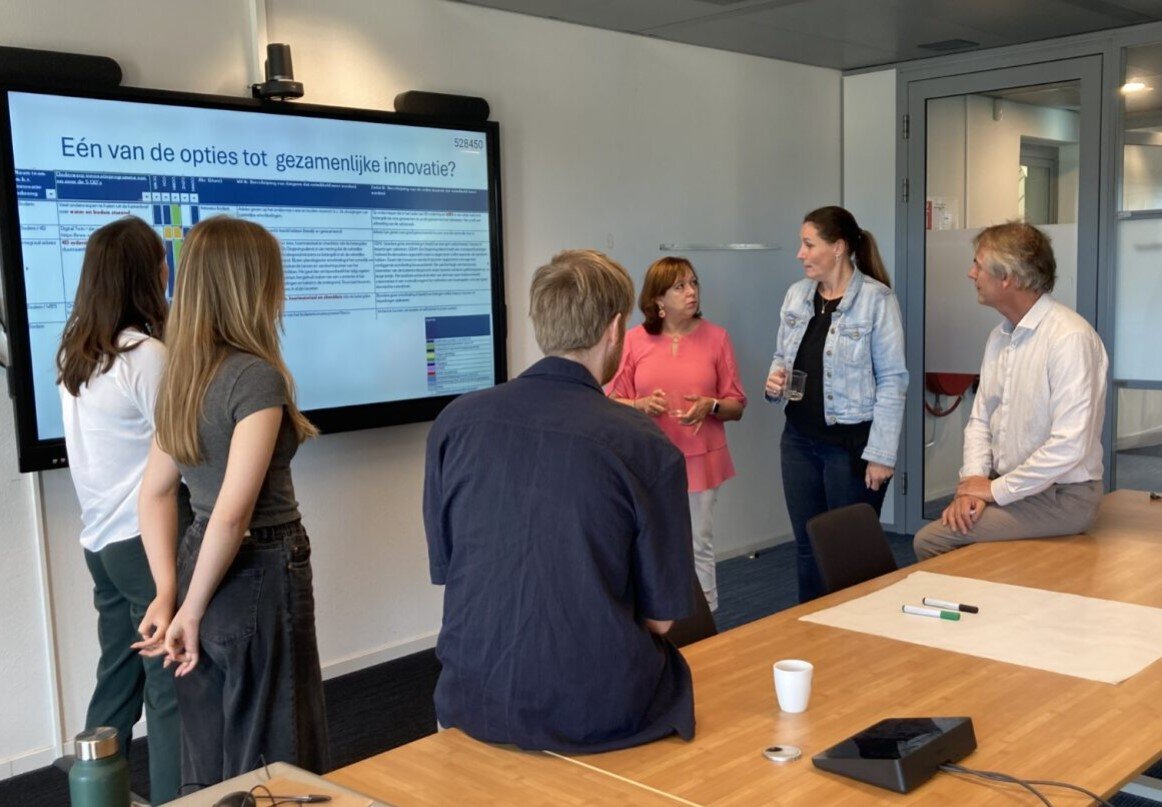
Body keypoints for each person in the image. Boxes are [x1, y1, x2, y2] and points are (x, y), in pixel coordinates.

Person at [423, 249, 697, 753]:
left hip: (469, 699)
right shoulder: (643, 445)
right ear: (614, 330)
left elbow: (449, 569)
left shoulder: (454, 423)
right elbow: (661, 619)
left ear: (540, 324)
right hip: (597, 712)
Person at [135, 216, 329, 785]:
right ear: (249, 286)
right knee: (278, 754)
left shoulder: (184, 377)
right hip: (258, 566)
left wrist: (170, 594)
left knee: (211, 753)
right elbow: (235, 513)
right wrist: (190, 610)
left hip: (198, 560)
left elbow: (156, 492)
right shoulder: (256, 379)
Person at [56, 217, 181, 804]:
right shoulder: (146, 355)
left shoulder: (75, 355)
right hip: (144, 544)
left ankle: (94, 796)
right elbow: (182, 448)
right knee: (169, 686)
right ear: (149, 275)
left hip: (101, 543)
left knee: (117, 677)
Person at [914, 222, 1107, 559]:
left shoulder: (1069, 339)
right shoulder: (999, 337)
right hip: (1011, 486)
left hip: (1062, 496)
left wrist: (993, 490)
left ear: (1007, 278)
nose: (971, 274)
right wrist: (973, 484)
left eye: (978, 265)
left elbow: (1069, 445)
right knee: (957, 530)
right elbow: (980, 420)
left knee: (932, 540)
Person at [765, 206, 907, 603]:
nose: (801, 254)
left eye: (809, 244)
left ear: (839, 248)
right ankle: (812, 627)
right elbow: (782, 355)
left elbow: (893, 380)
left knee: (848, 552)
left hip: (850, 448)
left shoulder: (877, 300)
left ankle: (856, 631)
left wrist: (881, 454)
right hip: (798, 441)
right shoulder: (797, 295)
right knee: (808, 546)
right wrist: (775, 378)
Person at [608, 257, 746, 612]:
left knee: (697, 542)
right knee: (651, 543)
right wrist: (639, 405)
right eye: (680, 287)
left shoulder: (716, 338)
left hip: (701, 458)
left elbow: (736, 405)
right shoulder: (633, 341)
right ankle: (653, 620)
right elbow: (609, 401)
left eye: (694, 283)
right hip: (648, 461)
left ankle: (707, 619)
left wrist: (710, 405)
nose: (691, 292)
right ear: (658, 299)